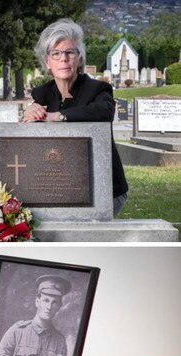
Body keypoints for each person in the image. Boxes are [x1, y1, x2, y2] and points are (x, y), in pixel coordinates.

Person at [21, 18, 128, 216]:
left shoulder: (98, 89)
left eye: (70, 52)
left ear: (79, 59)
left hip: (105, 189)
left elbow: (104, 111)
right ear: (47, 63)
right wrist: (29, 114)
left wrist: (58, 116)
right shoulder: (42, 94)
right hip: (62, 186)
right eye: (56, 53)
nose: (63, 59)